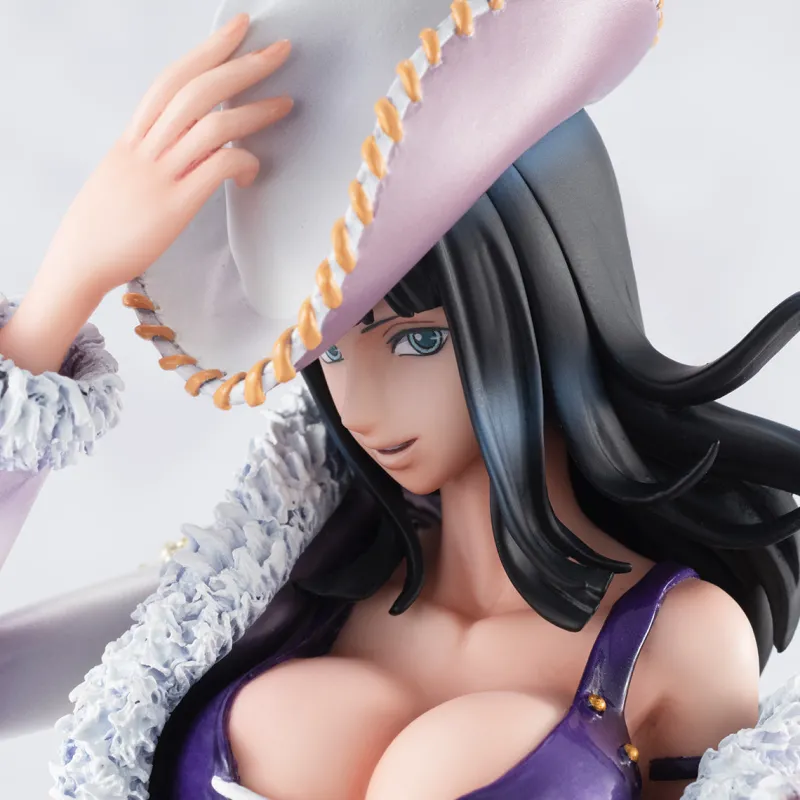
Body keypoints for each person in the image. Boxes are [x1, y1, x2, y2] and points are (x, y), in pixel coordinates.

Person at [0, 2, 798, 799]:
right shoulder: (260, 587)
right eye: (329, 352)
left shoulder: (676, 641)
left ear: (544, 307)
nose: (360, 406)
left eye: (417, 340)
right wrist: (64, 290)